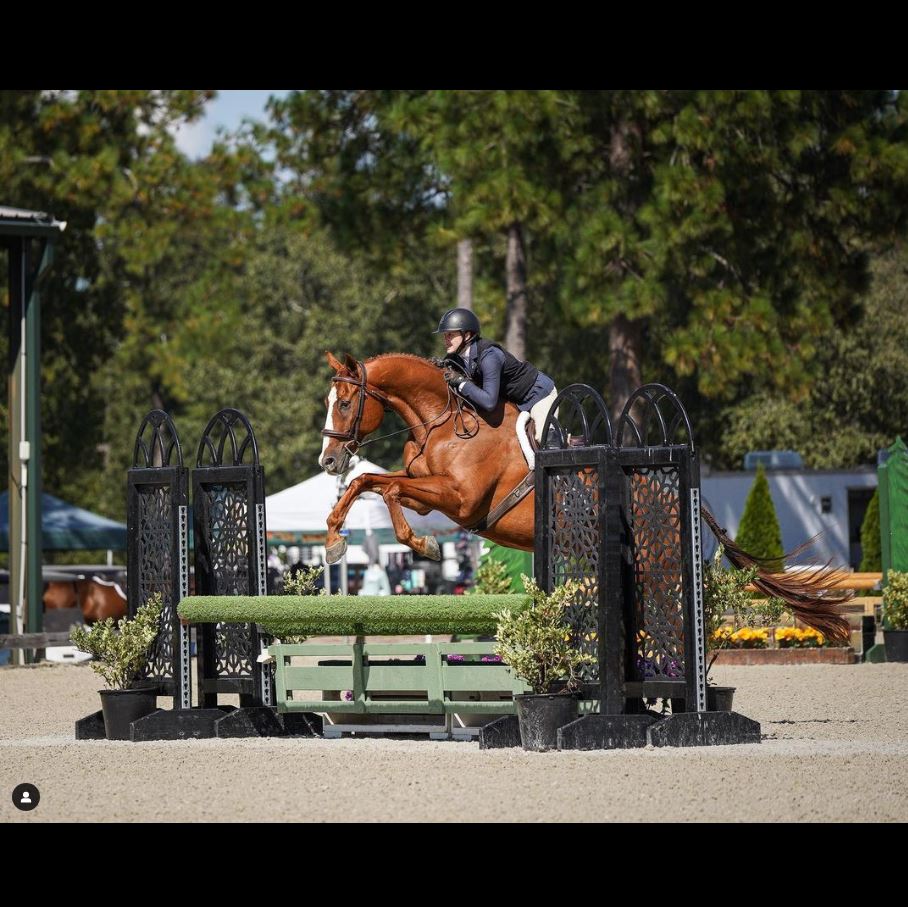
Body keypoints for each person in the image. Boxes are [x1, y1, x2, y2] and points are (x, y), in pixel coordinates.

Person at [433, 308, 557, 442]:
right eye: (445, 335)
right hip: (513, 402)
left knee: (543, 439)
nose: (445, 340)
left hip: (537, 394)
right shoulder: (455, 357)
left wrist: (461, 383)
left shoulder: (489, 356)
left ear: (467, 335)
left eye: (450, 335)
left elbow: (489, 402)